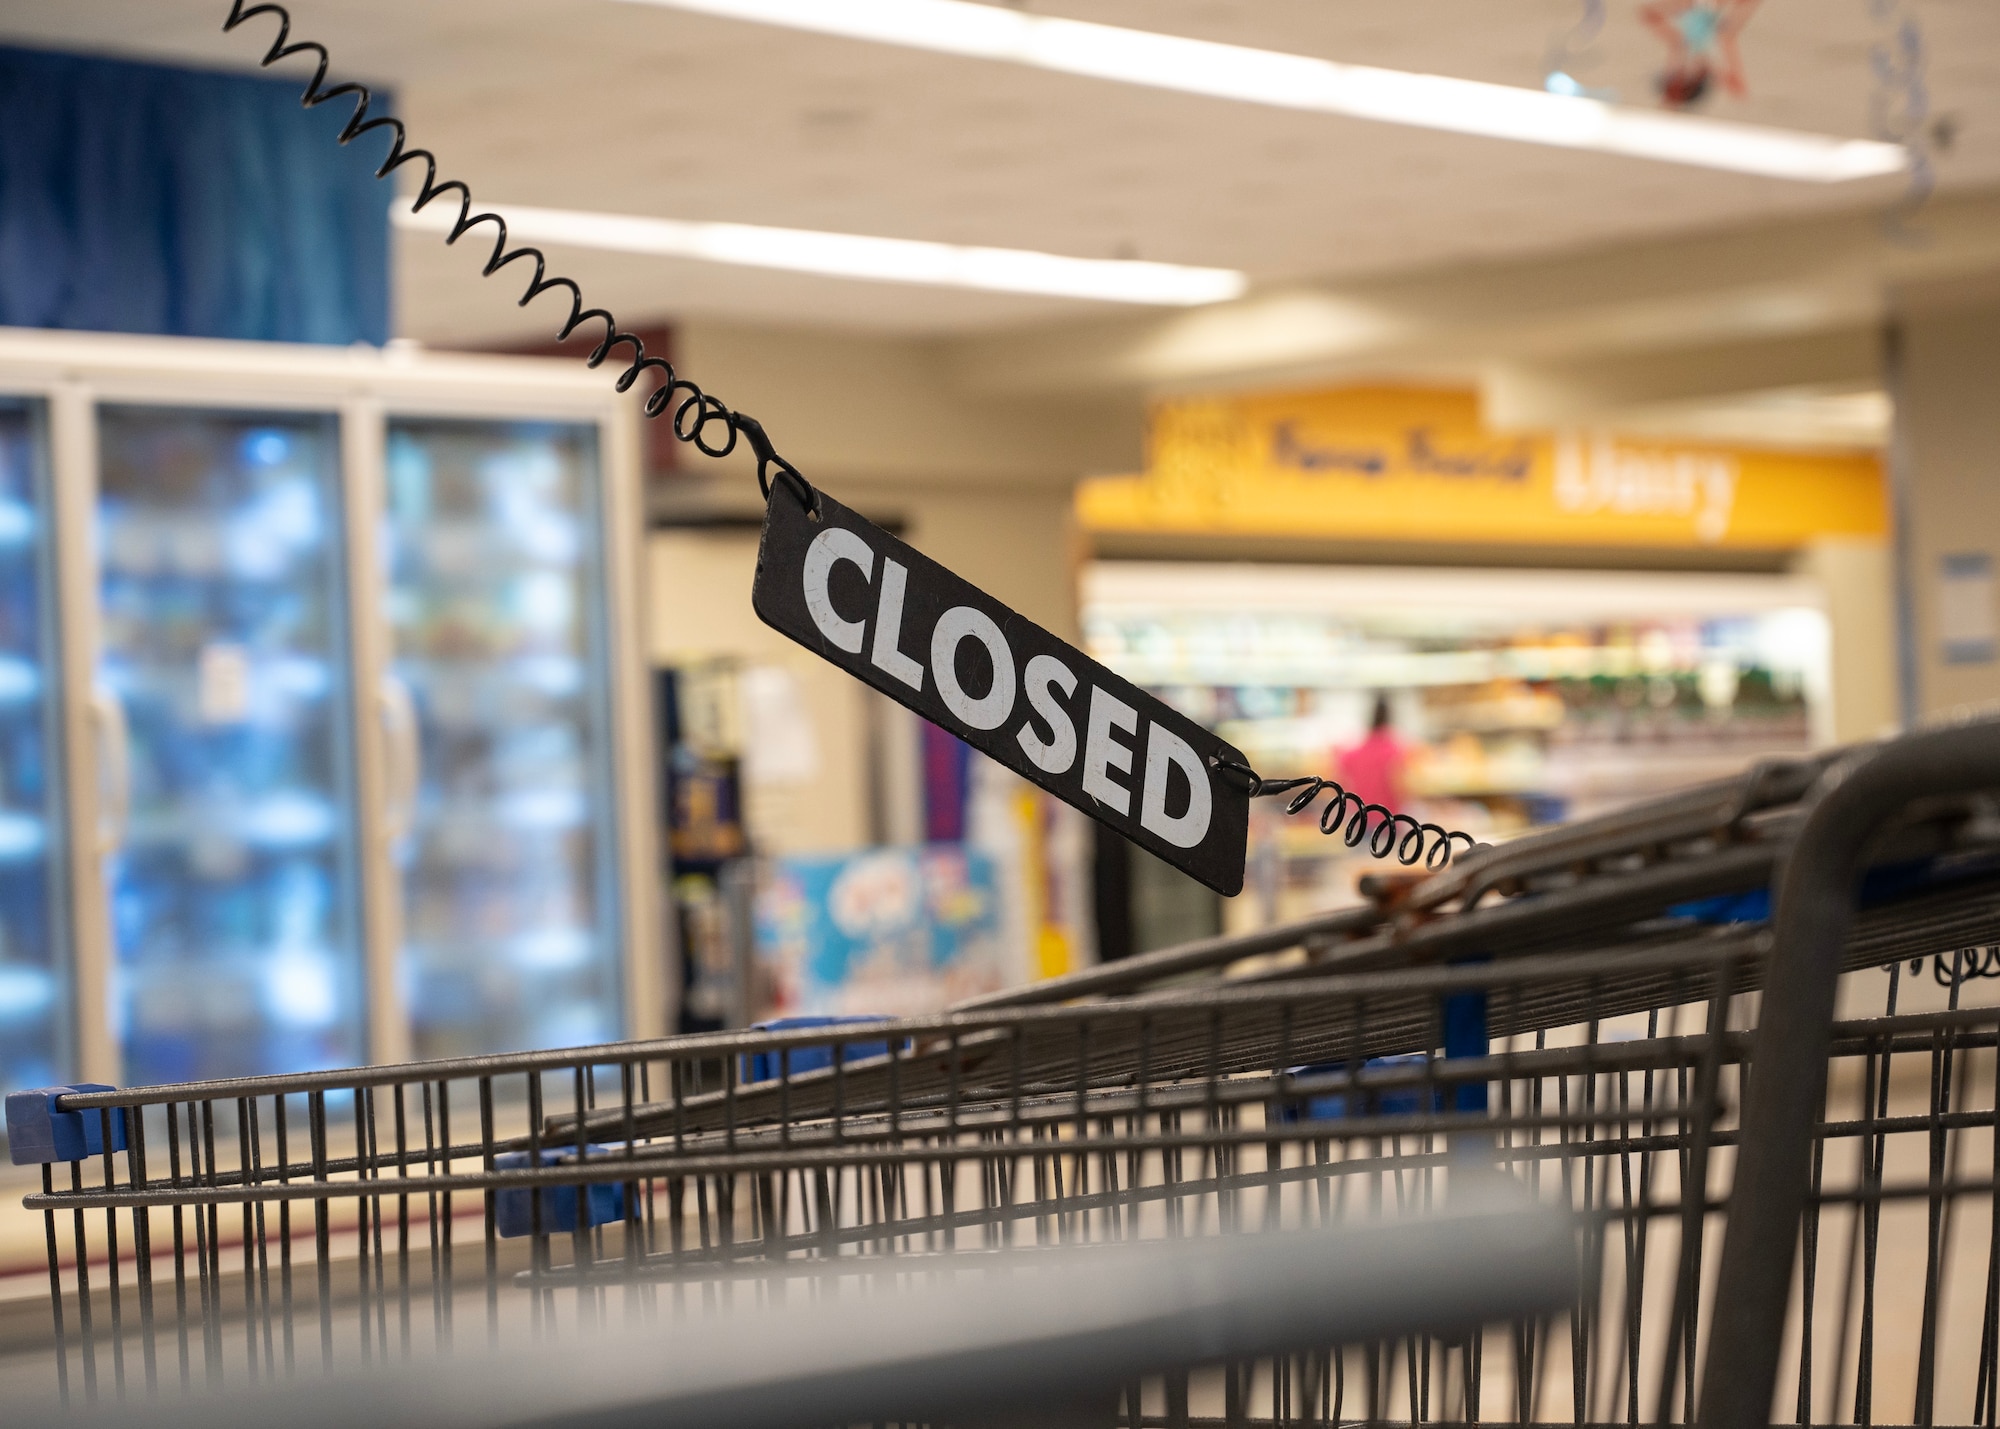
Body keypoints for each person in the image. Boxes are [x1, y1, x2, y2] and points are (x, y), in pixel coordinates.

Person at [1338, 694, 1409, 811]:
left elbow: (1340, 777)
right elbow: (1401, 786)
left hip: (1360, 815)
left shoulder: (1354, 752)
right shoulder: (1395, 750)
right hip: (1388, 815)